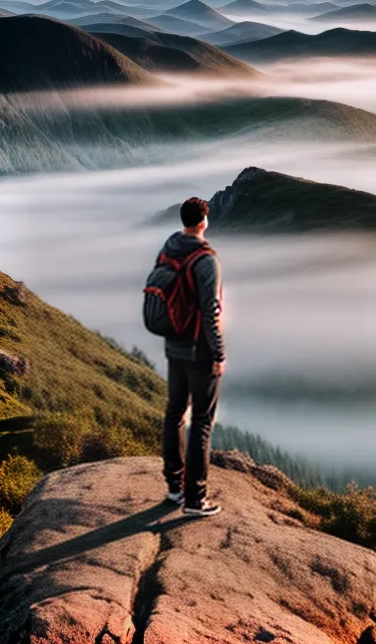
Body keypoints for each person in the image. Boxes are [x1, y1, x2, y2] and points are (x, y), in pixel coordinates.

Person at [154, 196, 224, 517]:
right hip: (199, 350)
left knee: (174, 414)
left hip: (174, 346)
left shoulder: (168, 249)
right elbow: (210, 311)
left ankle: (174, 488)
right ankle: (196, 498)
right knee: (201, 422)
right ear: (204, 221)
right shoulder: (206, 259)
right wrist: (218, 353)